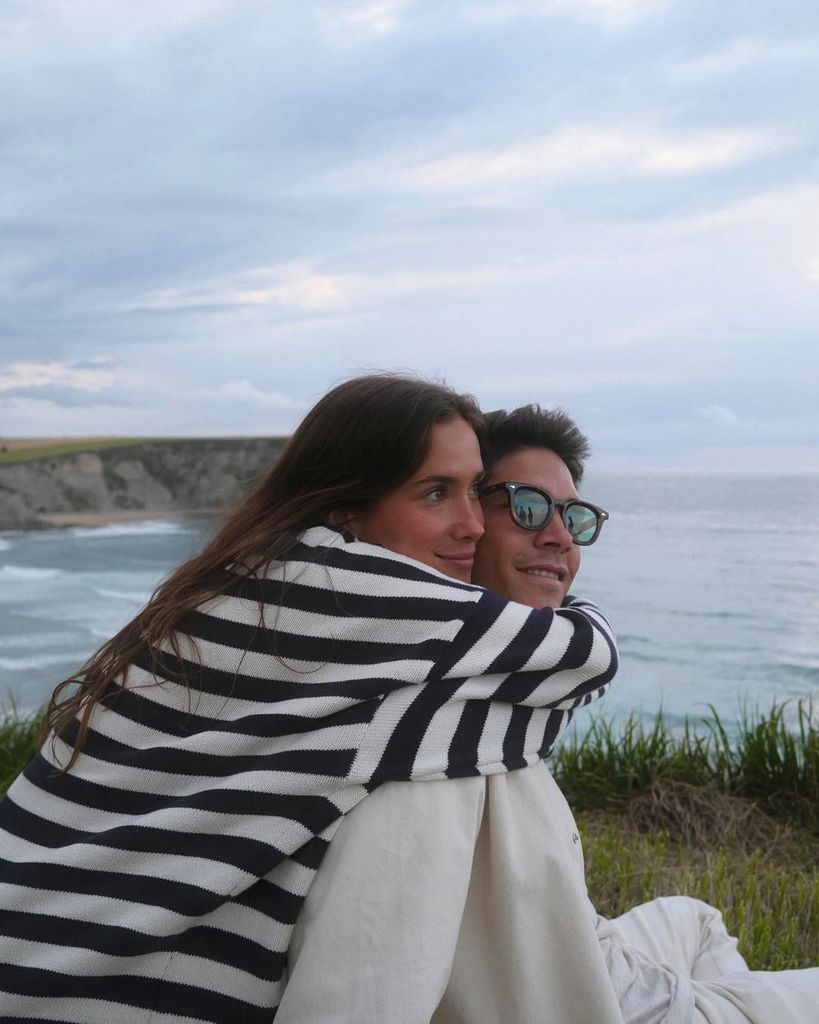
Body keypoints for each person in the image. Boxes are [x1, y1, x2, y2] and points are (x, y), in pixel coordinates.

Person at [0, 376, 618, 1024]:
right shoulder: (367, 607)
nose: (468, 525)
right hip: (101, 993)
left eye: (470, 492)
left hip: (35, 949)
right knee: (463, 773)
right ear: (345, 505)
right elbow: (582, 654)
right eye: (438, 493)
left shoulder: (242, 588)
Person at [281, 402, 818, 1023]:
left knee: (696, 920)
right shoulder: (430, 749)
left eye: (575, 516)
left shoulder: (499, 700)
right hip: (621, 1009)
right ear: (470, 524)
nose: (560, 536)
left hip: (606, 962)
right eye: (527, 507)